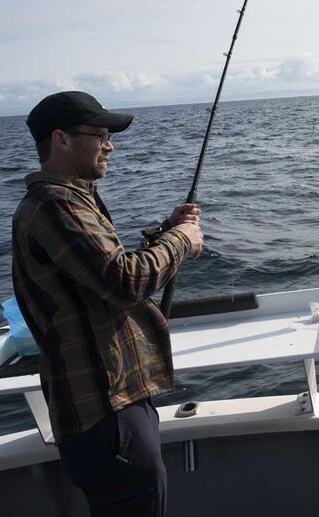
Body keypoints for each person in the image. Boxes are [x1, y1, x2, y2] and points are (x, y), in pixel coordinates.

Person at [12, 90, 203, 517]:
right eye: (99, 135)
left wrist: (162, 233)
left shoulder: (70, 199)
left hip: (111, 405)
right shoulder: (55, 204)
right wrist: (181, 240)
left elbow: (99, 276)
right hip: (103, 410)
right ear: (60, 140)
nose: (109, 145)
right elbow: (125, 281)